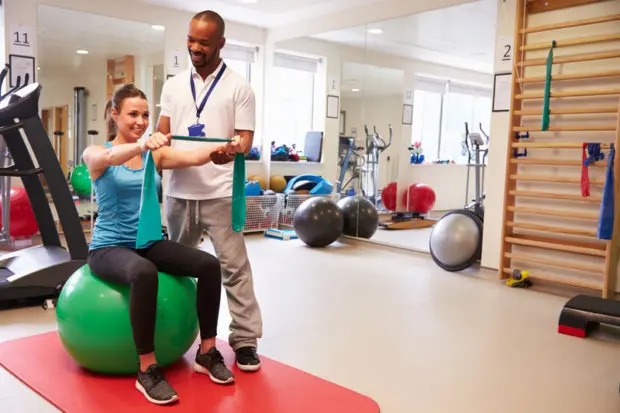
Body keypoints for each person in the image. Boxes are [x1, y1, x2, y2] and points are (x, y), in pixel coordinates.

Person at [83, 83, 243, 406]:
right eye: (132, 114)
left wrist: (223, 148)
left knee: (209, 265)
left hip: (147, 241)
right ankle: (147, 369)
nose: (141, 121)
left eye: (145, 114)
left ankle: (207, 353)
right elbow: (112, 156)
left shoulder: (152, 154)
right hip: (108, 247)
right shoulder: (95, 153)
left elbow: (191, 156)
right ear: (114, 115)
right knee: (144, 273)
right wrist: (142, 145)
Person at [157, 9, 262, 372]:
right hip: (179, 193)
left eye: (203, 42)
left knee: (234, 269)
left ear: (221, 43)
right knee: (175, 268)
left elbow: (246, 140)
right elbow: (163, 132)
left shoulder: (239, 87)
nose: (194, 47)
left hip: (220, 193)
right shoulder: (173, 84)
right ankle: (175, 333)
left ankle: (245, 341)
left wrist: (232, 148)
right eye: (191, 39)